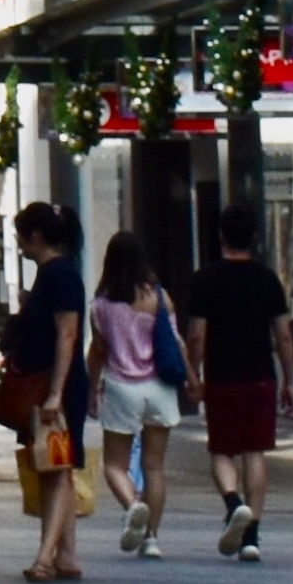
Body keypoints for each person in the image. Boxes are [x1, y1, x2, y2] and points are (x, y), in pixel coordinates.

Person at [180, 206, 293, 562]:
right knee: (255, 452)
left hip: (223, 377)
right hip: (261, 376)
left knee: (221, 451)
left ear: (221, 237)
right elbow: (285, 336)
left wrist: (194, 375)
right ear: (255, 239)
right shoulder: (268, 279)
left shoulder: (205, 279)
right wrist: (289, 380)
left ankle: (233, 503)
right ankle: (252, 537)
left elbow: (197, 335)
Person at [4, 199, 87, 583]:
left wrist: (55, 394)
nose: (19, 245)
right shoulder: (53, 274)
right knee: (59, 468)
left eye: (21, 237)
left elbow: (67, 334)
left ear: (35, 236)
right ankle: (65, 553)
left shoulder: (59, 276)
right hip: (53, 384)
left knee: (55, 469)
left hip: (56, 388)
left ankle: (44, 556)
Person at [87, 234, 185, 556]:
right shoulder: (160, 297)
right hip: (159, 388)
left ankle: (132, 506)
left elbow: (98, 353)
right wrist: (193, 377)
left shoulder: (100, 306)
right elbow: (175, 342)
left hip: (121, 387)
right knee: (154, 466)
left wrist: (91, 389)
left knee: (115, 465)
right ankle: (152, 539)